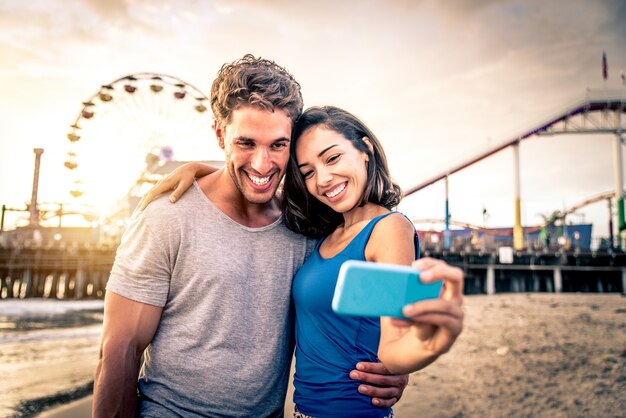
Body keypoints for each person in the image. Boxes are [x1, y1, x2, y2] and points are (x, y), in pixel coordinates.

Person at [93, 55, 408, 418]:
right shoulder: (167, 216)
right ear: (219, 135)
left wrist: (395, 368)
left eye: (278, 145)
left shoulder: (307, 229)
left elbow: (382, 303)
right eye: (246, 143)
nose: (262, 164)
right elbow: (119, 349)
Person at [145, 107, 465, 417]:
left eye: (333, 158)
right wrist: (201, 168)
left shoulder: (388, 229)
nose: (323, 179)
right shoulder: (325, 232)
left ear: (365, 150)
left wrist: (427, 345)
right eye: (308, 171)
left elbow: (394, 345)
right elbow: (258, 176)